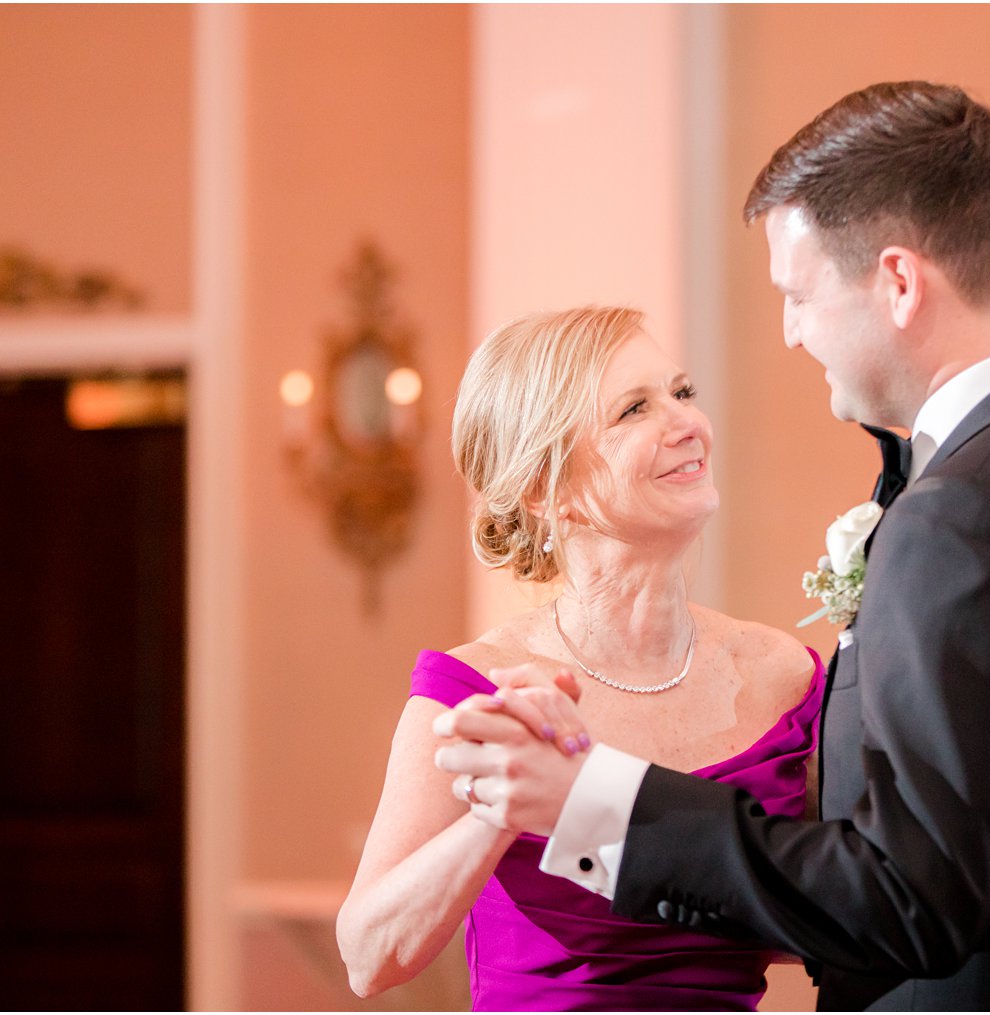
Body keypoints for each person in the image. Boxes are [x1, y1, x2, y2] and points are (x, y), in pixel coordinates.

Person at [434, 81, 990, 1010]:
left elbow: (907, 896)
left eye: (799, 294)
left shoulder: (967, 511)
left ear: (898, 283)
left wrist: (594, 803)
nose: (792, 331)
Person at [335, 305, 824, 1010]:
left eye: (682, 392)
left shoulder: (785, 674)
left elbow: (832, 914)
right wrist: (500, 809)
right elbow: (368, 957)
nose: (687, 422)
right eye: (633, 409)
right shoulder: (472, 692)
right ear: (544, 489)